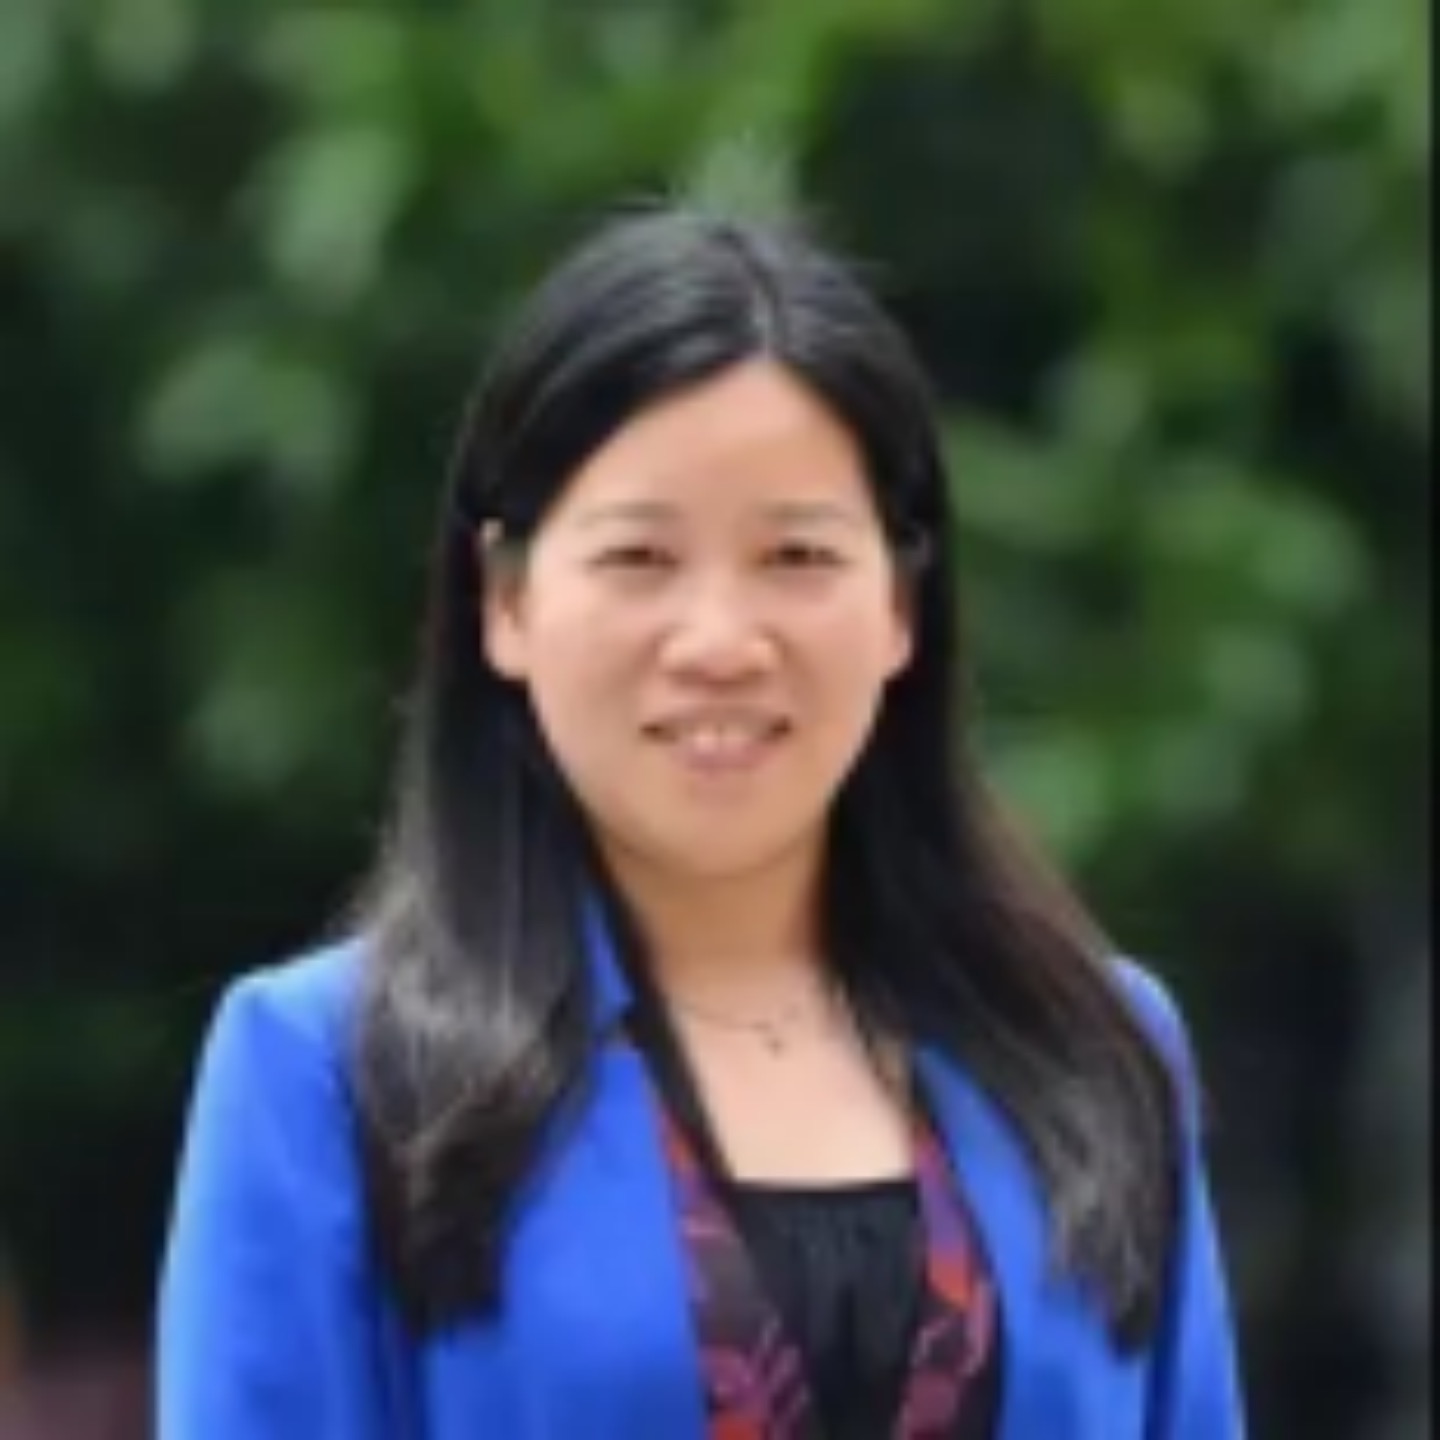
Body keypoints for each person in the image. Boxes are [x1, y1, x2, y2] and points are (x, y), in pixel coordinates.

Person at [157, 202, 1245, 1439]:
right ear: (504, 602)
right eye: (640, 560)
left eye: (797, 557)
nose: (721, 642)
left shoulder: (1093, 1050)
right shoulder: (334, 1075)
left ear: (901, 604)